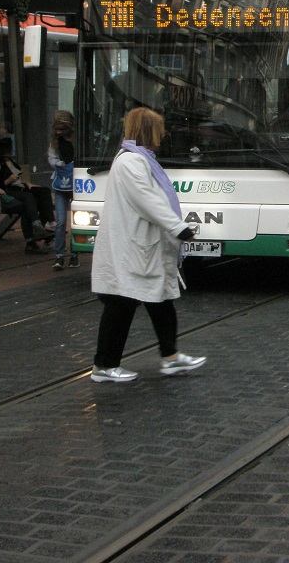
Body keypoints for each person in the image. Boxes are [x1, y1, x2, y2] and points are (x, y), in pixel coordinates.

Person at [89, 107, 206, 383]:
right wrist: (179, 228)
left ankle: (170, 357)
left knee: (159, 300)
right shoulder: (132, 162)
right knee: (123, 304)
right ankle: (105, 365)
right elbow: (148, 201)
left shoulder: (140, 160)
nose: (165, 136)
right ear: (149, 132)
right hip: (133, 248)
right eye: (160, 130)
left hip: (142, 246)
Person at [0, 137, 54, 254]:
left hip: (21, 186)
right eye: (5, 150)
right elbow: (0, 184)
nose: (8, 153)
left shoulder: (13, 162)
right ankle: (36, 228)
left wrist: (27, 183)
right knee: (28, 199)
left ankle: (50, 223)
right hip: (9, 189)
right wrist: (9, 179)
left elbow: (21, 177)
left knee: (44, 191)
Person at [47, 111, 78, 271]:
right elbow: (51, 158)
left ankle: (74, 253)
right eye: (56, 129)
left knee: (76, 221)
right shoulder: (55, 142)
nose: (58, 132)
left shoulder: (77, 141)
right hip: (62, 181)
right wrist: (59, 163)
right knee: (60, 222)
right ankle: (59, 255)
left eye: (62, 129)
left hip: (75, 183)